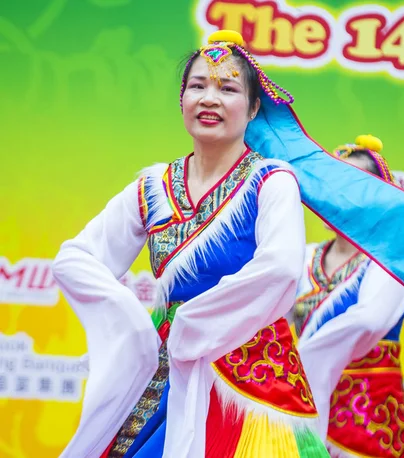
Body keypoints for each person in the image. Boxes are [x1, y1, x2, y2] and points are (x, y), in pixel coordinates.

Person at [53, 30, 329, 458]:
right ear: (181, 99)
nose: (210, 98)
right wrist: (132, 324)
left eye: (228, 88)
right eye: (197, 86)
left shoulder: (271, 181)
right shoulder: (153, 188)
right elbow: (76, 258)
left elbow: (281, 268)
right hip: (165, 367)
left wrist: (196, 321)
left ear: (254, 107)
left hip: (248, 380)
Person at [292, 135, 404, 458]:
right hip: (303, 418)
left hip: (367, 427)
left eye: (354, 186)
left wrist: (302, 365)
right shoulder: (302, 258)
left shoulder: (389, 263)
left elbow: (368, 320)